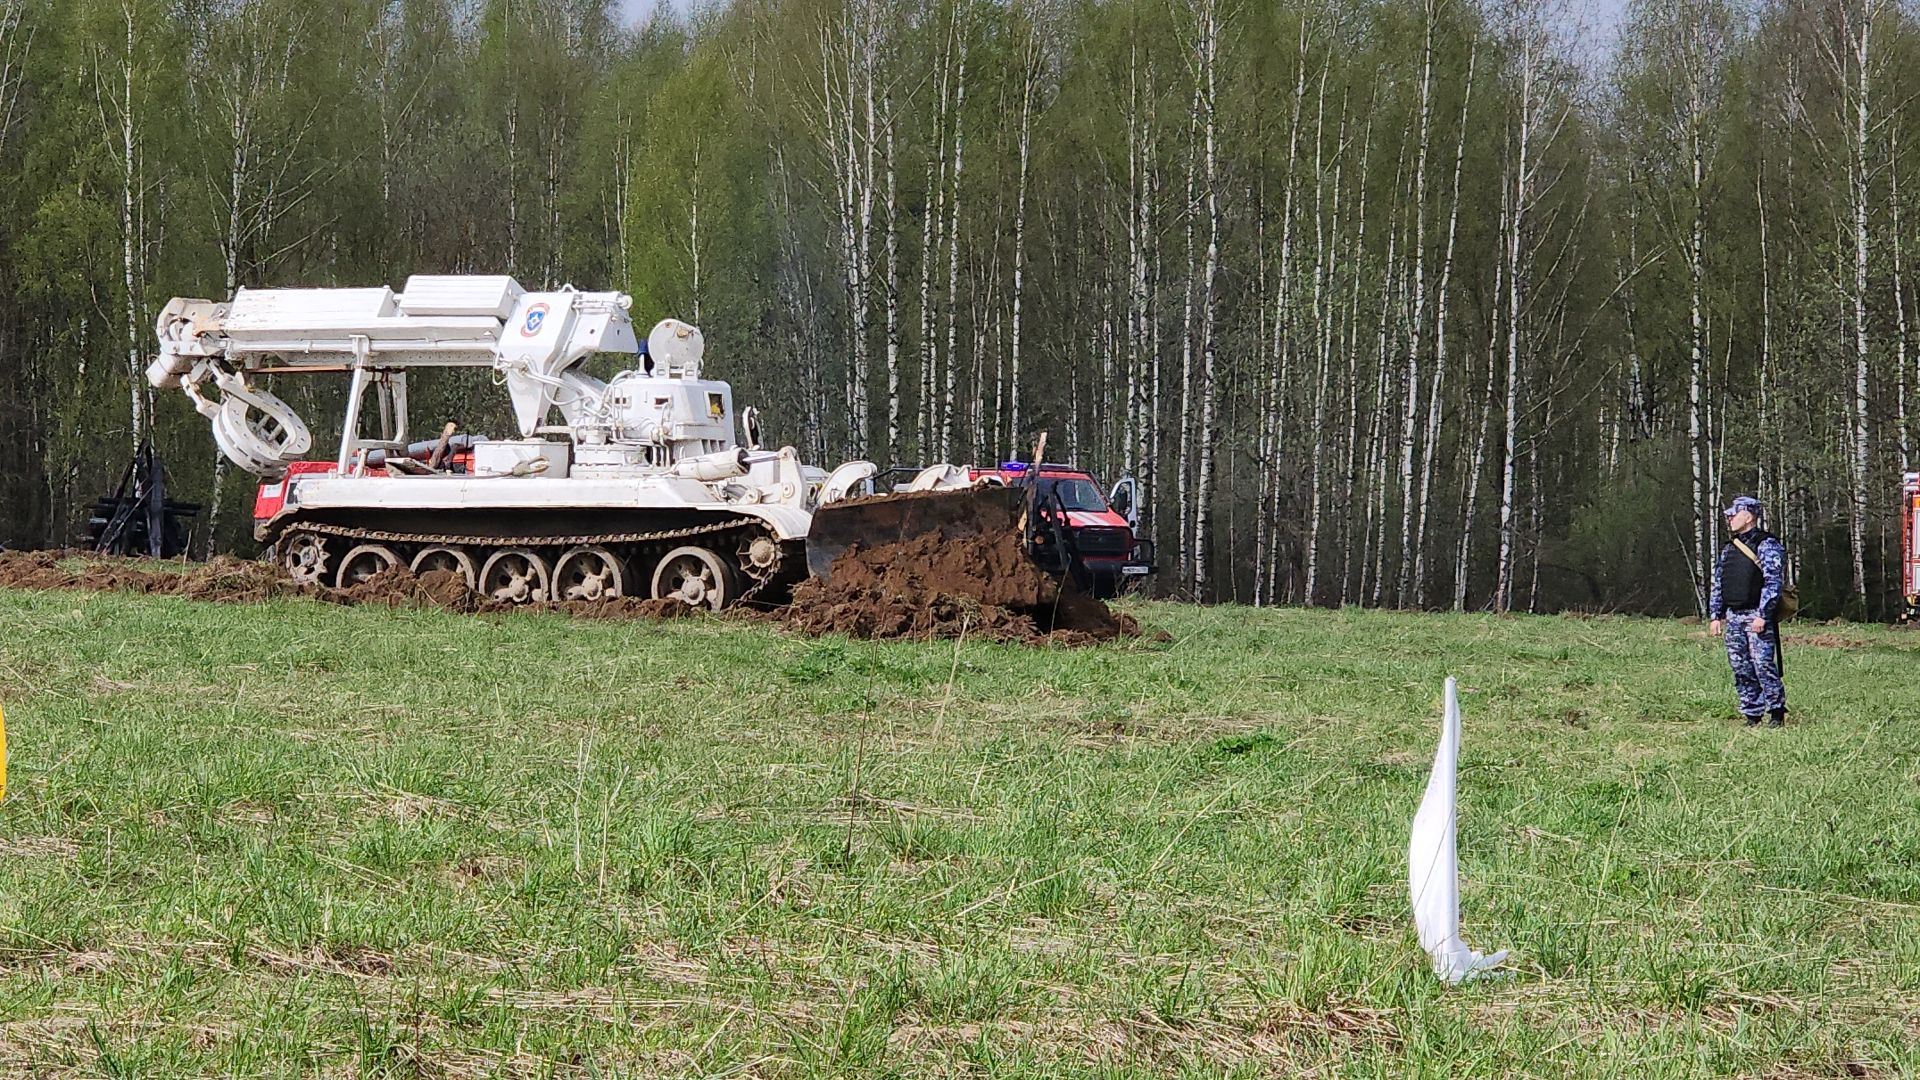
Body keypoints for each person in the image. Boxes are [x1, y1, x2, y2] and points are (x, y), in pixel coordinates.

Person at [1709, 496, 1788, 727]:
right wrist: (1716, 615)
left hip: (1756, 615)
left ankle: (1776, 712)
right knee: (1740, 666)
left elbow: (1772, 582)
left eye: (1735, 513)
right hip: (1734, 616)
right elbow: (1719, 582)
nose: (1730, 518)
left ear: (1749, 516)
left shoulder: (1767, 544)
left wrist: (1763, 615)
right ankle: (1752, 713)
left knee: (1762, 665)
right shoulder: (1729, 548)